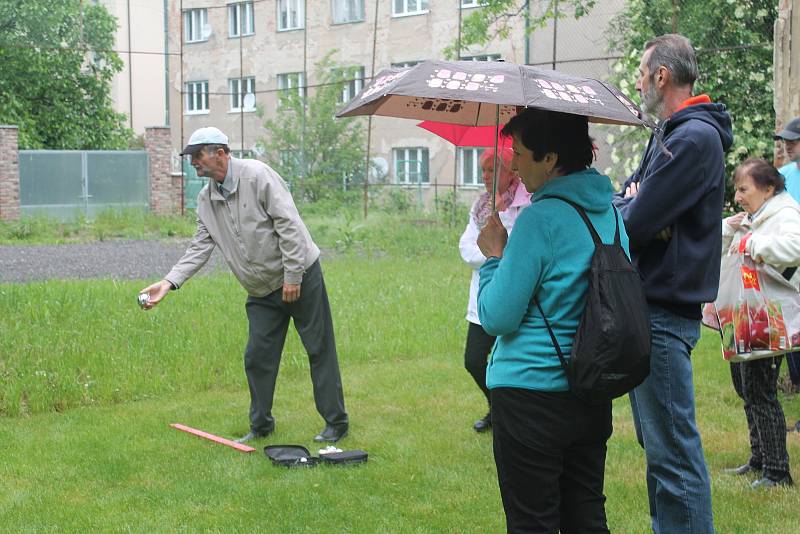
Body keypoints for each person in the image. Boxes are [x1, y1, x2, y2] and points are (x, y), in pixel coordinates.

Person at [140, 127, 348, 444]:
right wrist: (169, 282)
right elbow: (199, 247)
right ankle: (261, 425)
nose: (192, 163)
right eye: (190, 157)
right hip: (261, 291)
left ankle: (336, 423)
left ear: (220, 153)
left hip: (301, 277)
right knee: (257, 356)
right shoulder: (206, 199)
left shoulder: (258, 176)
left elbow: (289, 225)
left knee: (319, 349)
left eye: (197, 156)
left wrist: (293, 276)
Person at [476, 107, 629, 533]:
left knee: (532, 520)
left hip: (531, 394)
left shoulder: (538, 220)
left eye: (521, 154)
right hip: (592, 387)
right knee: (586, 513)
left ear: (550, 159)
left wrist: (494, 258)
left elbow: (497, 316)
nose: (516, 165)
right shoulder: (612, 216)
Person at [612, 34, 732, 533]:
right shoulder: (671, 134)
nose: (639, 81)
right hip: (651, 308)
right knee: (660, 451)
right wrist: (634, 202)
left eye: (642, 72)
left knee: (673, 454)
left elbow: (634, 223)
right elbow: (627, 204)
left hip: (663, 312)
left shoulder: (691, 139)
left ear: (661, 76)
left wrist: (638, 207)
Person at [721, 158, 798, 488]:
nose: (738, 196)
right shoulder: (756, 214)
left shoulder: (785, 213)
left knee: (761, 392)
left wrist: (755, 244)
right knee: (745, 386)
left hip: (770, 318)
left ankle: (778, 471)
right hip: (746, 316)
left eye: (743, 189)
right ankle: (759, 458)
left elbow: (795, 247)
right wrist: (729, 229)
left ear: (768, 189)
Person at [458, 146, 531, 433]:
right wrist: (493, 252)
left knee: (508, 363)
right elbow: (467, 248)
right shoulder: (482, 206)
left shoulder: (525, 204)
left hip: (512, 294)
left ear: (510, 170)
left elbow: (517, 248)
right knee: (474, 360)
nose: (486, 176)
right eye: (483, 171)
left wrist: (495, 247)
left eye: (492, 169)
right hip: (483, 297)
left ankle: (508, 415)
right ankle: (497, 407)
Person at [775, 117, 800, 424]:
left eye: (793, 139)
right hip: (784, 269)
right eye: (785, 140)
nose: (787, 144)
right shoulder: (780, 176)